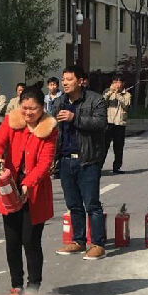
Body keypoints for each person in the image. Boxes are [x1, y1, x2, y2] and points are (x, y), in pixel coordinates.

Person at [0, 87, 58, 295]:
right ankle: (16, 285)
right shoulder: (12, 121)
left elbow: (45, 162)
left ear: (42, 108)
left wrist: (28, 183)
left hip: (34, 192)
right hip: (10, 189)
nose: (28, 112)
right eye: (24, 108)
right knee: (12, 240)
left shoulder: (49, 129)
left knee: (30, 240)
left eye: (33, 108)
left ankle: (33, 286)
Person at [54, 64, 108, 260]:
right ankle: (78, 241)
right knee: (73, 204)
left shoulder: (95, 100)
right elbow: (55, 131)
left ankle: (98, 244)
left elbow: (100, 124)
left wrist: (74, 117)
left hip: (88, 159)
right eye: (63, 79)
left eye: (69, 79)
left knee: (92, 204)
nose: (65, 83)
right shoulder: (59, 101)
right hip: (66, 160)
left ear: (80, 81)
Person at [103, 75, 132, 174]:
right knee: (104, 146)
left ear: (123, 83)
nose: (116, 84)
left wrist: (117, 94)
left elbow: (126, 105)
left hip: (120, 124)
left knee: (118, 147)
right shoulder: (108, 92)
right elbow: (102, 102)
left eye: (118, 82)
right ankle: (99, 166)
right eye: (114, 82)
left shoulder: (127, 94)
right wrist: (110, 92)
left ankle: (117, 167)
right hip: (109, 123)